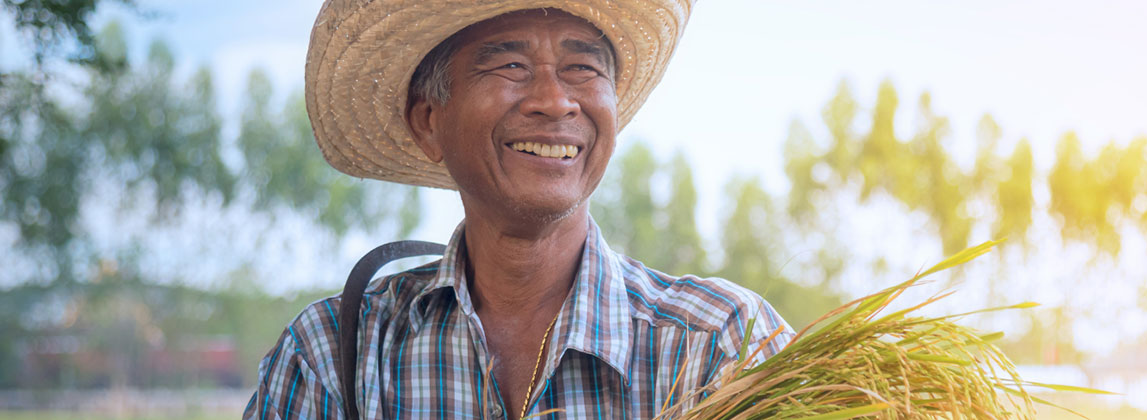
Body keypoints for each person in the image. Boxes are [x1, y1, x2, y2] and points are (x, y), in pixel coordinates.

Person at [244, 1, 793, 419]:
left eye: (583, 67)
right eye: (510, 65)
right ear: (429, 122)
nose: (555, 101)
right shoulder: (333, 355)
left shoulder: (720, 348)